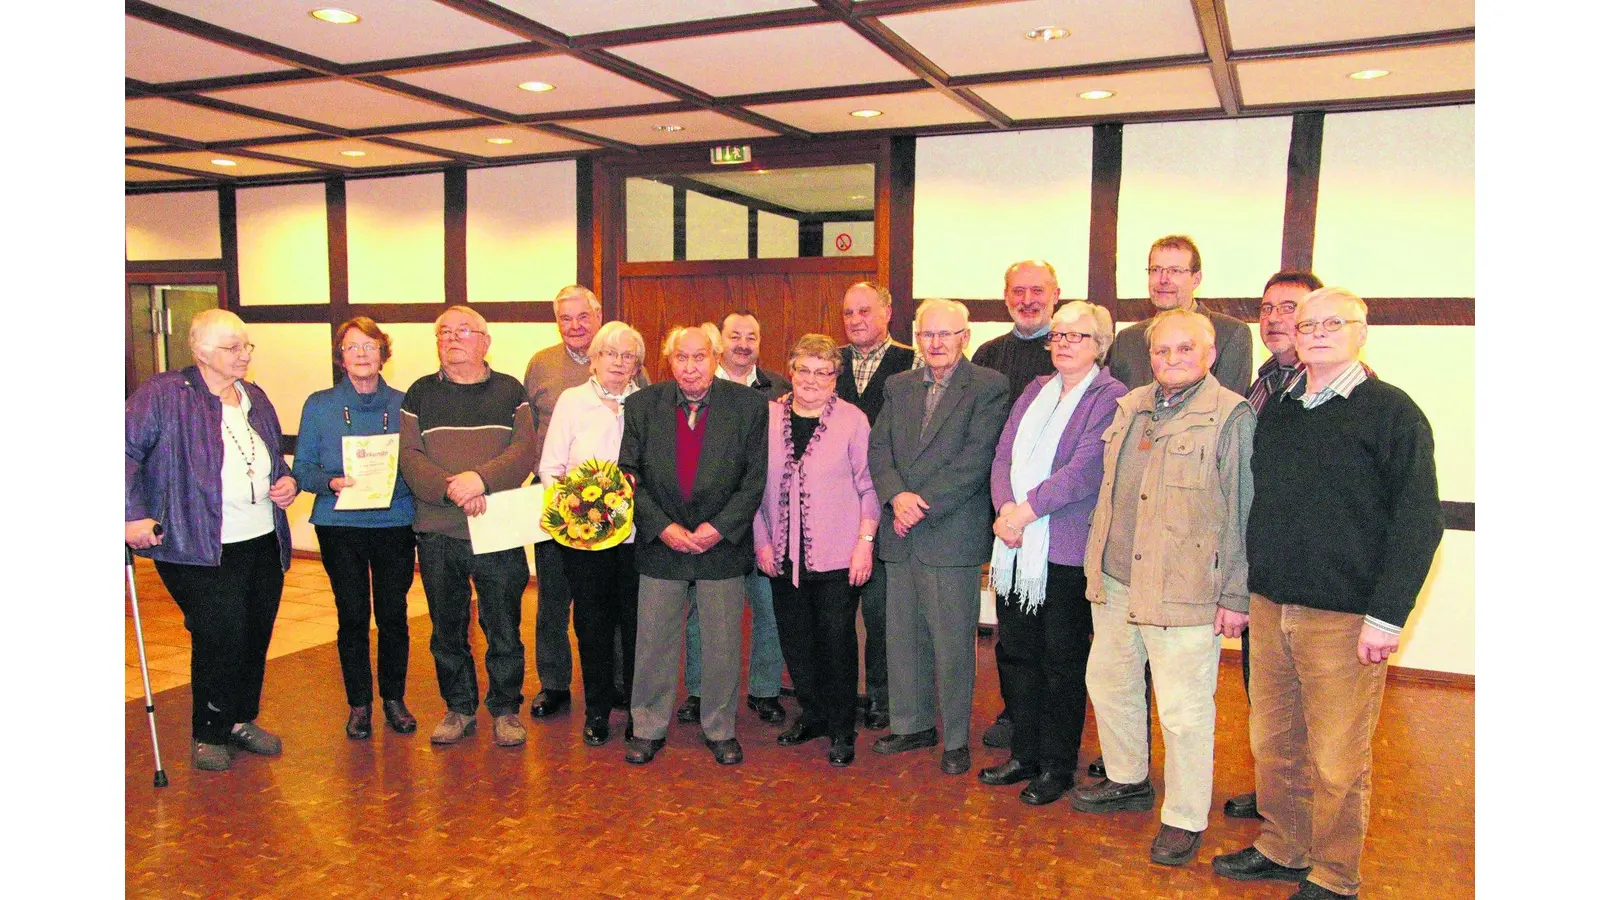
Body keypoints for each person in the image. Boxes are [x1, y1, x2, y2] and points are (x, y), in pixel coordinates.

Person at [1212, 288, 1442, 900]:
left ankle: (1336, 876)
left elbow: (1418, 522)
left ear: (1360, 332)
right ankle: (1285, 846)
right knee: (1274, 743)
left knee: (1338, 760)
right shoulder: (1282, 409)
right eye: (1304, 322)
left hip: (1343, 618)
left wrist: (1387, 619)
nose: (1314, 332)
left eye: (1331, 323)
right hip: (1270, 604)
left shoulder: (1392, 412)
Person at [1069, 308, 1254, 868]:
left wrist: (1236, 594)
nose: (1170, 360)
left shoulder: (1230, 416)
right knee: (1110, 681)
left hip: (1184, 589)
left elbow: (1244, 510)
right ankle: (1128, 780)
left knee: (1184, 709)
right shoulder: (1132, 406)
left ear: (1210, 354)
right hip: (1119, 580)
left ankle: (1184, 816)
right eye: (1160, 351)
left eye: (1184, 350)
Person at [125, 309, 297, 772]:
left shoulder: (253, 397)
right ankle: (209, 731)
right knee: (220, 632)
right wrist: (130, 514)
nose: (243, 355)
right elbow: (122, 452)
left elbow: (269, 459)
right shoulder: (163, 394)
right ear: (200, 351)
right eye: (231, 347)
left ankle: (241, 719)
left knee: (255, 631)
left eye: (246, 346)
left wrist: (286, 482)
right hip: (195, 541)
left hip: (260, 536)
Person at [979, 302, 1126, 805]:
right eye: (1057, 336)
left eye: (1076, 337)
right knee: (1017, 654)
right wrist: (1004, 510)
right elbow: (1003, 454)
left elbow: (1086, 469)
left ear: (1100, 345)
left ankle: (1058, 766)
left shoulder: (1111, 396)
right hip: (1016, 547)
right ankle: (1024, 753)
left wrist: (1022, 513)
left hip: (1063, 550)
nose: (1063, 344)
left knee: (1061, 662)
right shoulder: (1033, 390)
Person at [867, 300, 1009, 776]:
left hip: (950, 533)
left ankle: (953, 738)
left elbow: (976, 459)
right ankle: (912, 725)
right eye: (928, 334)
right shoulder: (898, 385)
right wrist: (894, 498)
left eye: (947, 334)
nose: (937, 343)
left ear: (965, 337)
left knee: (951, 643)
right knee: (902, 637)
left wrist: (917, 504)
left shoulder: (988, 386)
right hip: (900, 532)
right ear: (917, 336)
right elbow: (879, 449)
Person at [620, 324, 768, 766]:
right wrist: (662, 526)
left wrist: (719, 528)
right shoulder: (643, 405)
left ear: (715, 356)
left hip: (720, 545)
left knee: (722, 643)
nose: (690, 368)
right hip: (661, 543)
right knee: (652, 643)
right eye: (681, 358)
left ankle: (720, 729)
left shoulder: (748, 405)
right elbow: (629, 473)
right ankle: (647, 727)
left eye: (699, 357)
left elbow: (754, 479)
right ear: (669, 361)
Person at [400, 306, 539, 748]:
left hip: (497, 527)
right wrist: (453, 489)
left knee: (503, 625)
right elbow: (409, 456)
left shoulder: (510, 390)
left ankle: (505, 709)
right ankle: (458, 707)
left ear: (485, 341)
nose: (452, 338)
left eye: (464, 331)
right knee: (446, 628)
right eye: (444, 332)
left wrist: (480, 479)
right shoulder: (419, 393)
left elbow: (523, 451)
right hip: (439, 530)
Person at [1222, 270, 1325, 821]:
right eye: (1266, 308)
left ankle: (1299, 814)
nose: (1273, 318)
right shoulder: (1261, 383)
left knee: (1308, 709)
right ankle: (1275, 797)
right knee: (1267, 698)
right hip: (1260, 567)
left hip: (1311, 575)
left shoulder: (1341, 388)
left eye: (1288, 308)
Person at [753, 334, 879, 767]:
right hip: (781, 557)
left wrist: (865, 544)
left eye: (822, 372)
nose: (811, 380)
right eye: (803, 370)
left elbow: (869, 487)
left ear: (835, 377)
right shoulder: (766, 418)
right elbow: (752, 487)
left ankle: (843, 728)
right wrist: (762, 542)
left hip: (838, 558)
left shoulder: (853, 420)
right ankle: (814, 714)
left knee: (836, 643)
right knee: (797, 643)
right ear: (789, 370)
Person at [522, 285, 648, 720]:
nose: (617, 362)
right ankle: (594, 709)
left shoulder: (646, 401)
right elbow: (551, 466)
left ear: (637, 364)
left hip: (634, 535)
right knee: (588, 621)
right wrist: (577, 519)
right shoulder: (571, 400)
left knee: (631, 624)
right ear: (595, 358)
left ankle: (632, 704)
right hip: (581, 536)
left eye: (626, 356)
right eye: (609, 355)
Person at [293, 317, 418, 740]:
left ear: (384, 352)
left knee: (393, 615)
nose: (362, 354)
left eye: (370, 345)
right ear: (340, 356)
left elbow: (419, 465)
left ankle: (394, 699)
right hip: (339, 523)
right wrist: (329, 482)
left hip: (394, 520)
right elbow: (303, 468)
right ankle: (359, 704)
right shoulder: (319, 404)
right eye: (352, 347)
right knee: (352, 615)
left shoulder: (405, 404)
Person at [677, 310, 791, 727]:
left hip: (765, 519)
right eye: (735, 335)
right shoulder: (696, 385)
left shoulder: (781, 388)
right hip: (711, 525)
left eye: (752, 336)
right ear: (719, 343)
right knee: (702, 613)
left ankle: (764, 689)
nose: (744, 343)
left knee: (769, 608)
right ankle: (699, 690)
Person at [970, 260, 1062, 750]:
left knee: (1058, 628)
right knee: (1013, 625)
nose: (1027, 300)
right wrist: (1005, 508)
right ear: (1005, 295)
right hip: (1004, 513)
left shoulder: (1068, 349)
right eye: (1018, 291)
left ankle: (1054, 716)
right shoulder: (987, 354)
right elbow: (988, 440)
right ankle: (1015, 711)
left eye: (1037, 290)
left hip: (1057, 515)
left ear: (1056, 293)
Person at [835, 281, 915, 731]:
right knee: (835, 612)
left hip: (885, 507)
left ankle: (885, 697)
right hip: (835, 507)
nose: (856, 320)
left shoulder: (911, 361)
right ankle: (840, 695)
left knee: (883, 613)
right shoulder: (831, 364)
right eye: (848, 313)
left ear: (888, 310)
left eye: (865, 310)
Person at [1107, 235, 1253, 396]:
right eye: (1155, 270)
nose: (1163, 279)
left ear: (1196, 279)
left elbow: (1227, 411)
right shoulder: (1127, 340)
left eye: (1175, 271)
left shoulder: (1231, 334)